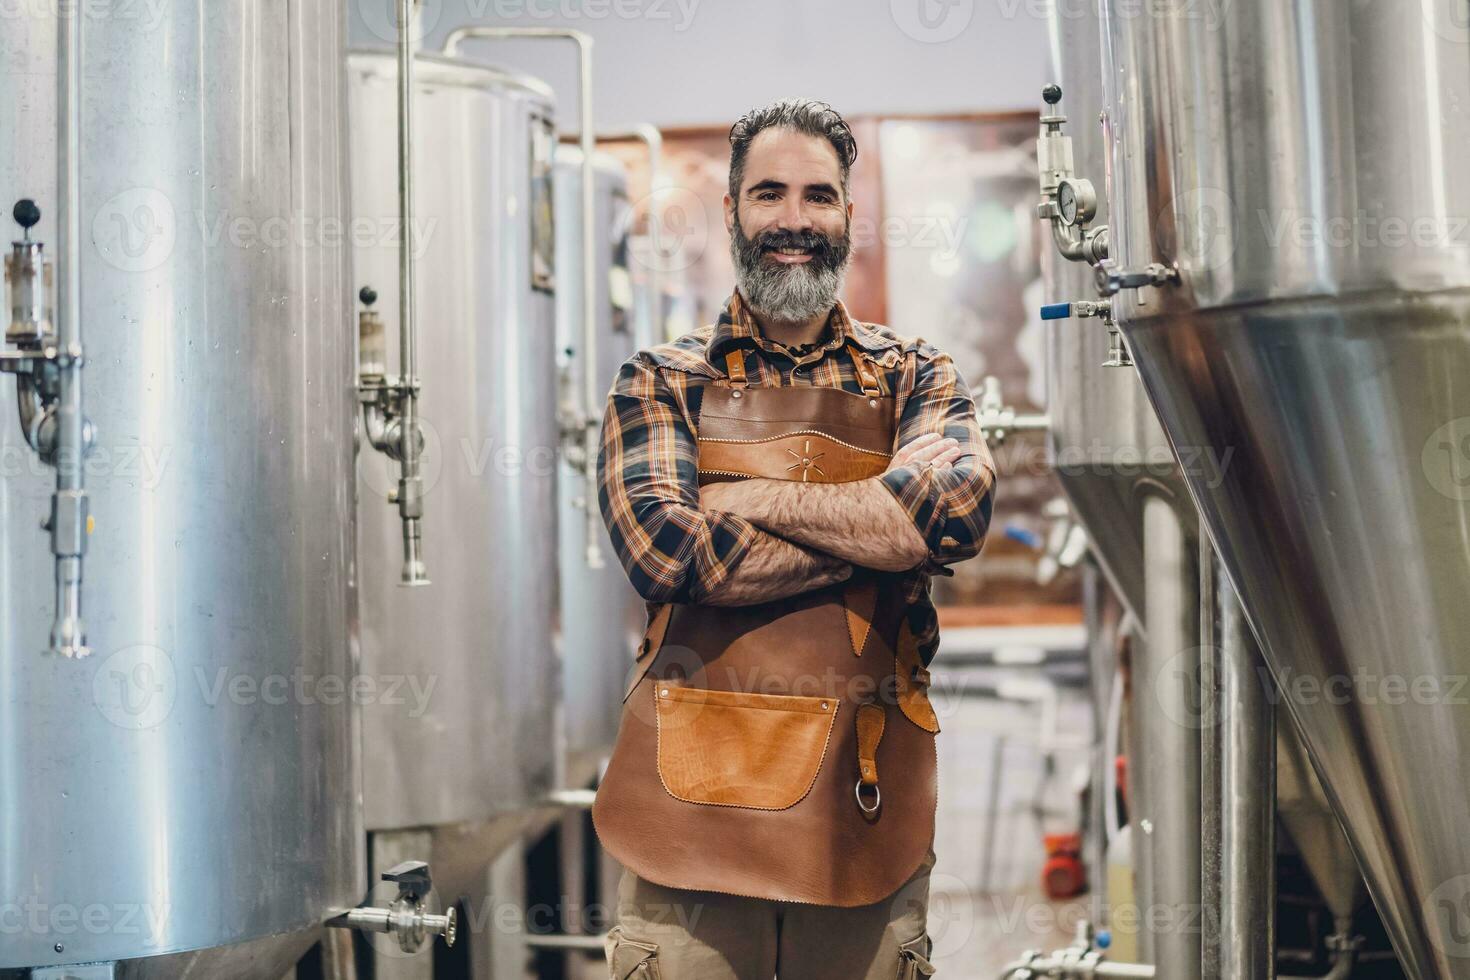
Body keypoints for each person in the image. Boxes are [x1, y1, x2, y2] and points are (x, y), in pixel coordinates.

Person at [591, 98, 996, 979]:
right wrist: (882, 518)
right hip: (681, 821)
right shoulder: (661, 380)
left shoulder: (916, 374)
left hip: (862, 810)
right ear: (733, 209)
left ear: (849, 213)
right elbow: (671, 554)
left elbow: (953, 519)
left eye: (819, 196)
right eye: (769, 193)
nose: (794, 220)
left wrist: (739, 495)